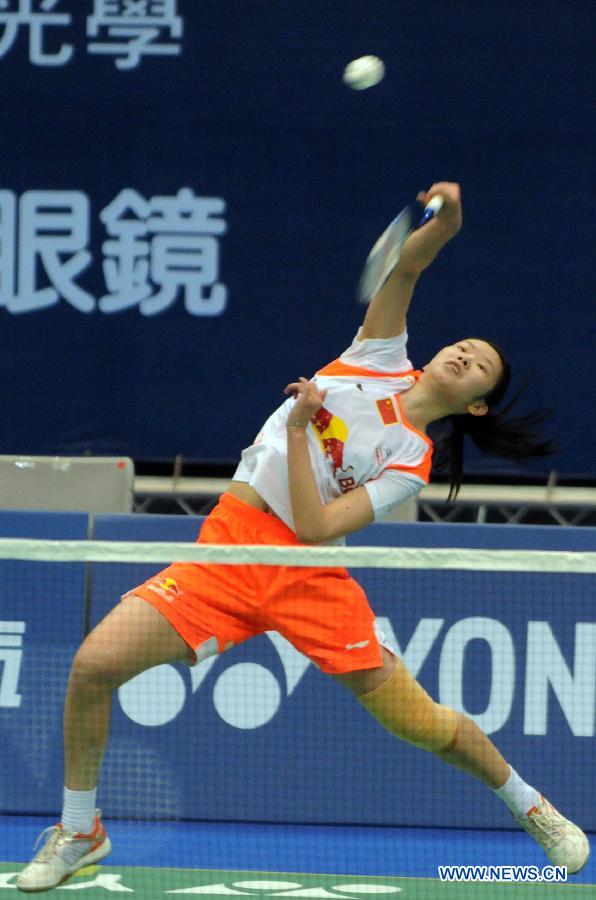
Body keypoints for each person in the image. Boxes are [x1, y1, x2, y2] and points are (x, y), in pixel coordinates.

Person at [16, 182, 589, 892]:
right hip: (227, 550)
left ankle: (531, 807)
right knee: (93, 666)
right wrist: (448, 225)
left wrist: (296, 428)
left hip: (305, 574)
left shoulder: (412, 460)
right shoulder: (379, 355)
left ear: (473, 405)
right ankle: (80, 830)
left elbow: (317, 528)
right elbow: (405, 270)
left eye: (479, 368)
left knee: (423, 725)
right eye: (465, 346)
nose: (466, 354)